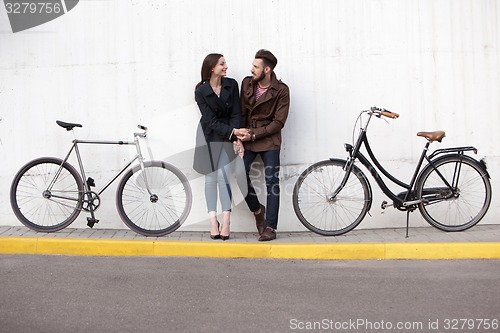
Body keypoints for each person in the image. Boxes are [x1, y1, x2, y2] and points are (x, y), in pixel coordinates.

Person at [236, 49, 290, 241]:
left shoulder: (282, 90)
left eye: (256, 67)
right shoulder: (246, 83)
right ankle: (258, 210)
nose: (252, 70)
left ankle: (271, 227)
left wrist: (253, 134)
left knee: (272, 183)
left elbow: (278, 123)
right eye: (252, 66)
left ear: (267, 70)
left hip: (269, 140)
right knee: (239, 174)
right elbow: (241, 112)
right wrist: (239, 138)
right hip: (248, 137)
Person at [193, 53, 246, 240]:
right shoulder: (201, 91)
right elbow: (210, 121)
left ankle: (227, 220)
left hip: (228, 134)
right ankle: (212, 220)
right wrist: (234, 133)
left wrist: (236, 137)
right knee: (211, 178)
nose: (226, 66)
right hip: (208, 135)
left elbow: (236, 113)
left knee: (223, 175)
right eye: (222, 64)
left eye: (225, 63)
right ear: (211, 68)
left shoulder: (231, 84)